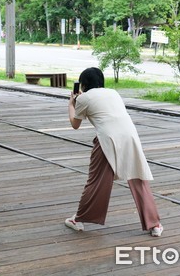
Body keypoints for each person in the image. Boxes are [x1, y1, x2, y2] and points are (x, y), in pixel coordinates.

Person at [65, 67, 163, 237]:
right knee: (139, 179)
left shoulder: (84, 98)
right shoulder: (113, 92)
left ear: (83, 84)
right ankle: (154, 224)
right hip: (130, 137)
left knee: (96, 181)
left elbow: (75, 124)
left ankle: (78, 219)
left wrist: (71, 104)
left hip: (107, 140)